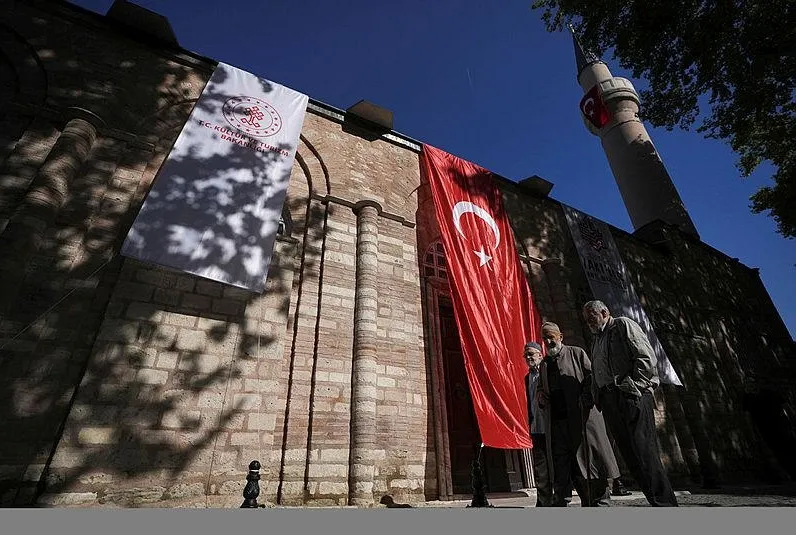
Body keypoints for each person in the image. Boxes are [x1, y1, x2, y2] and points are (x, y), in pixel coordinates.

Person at [582, 300, 678, 507]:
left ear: (604, 312)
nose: (588, 320)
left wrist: (636, 387)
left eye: (591, 315)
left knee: (644, 451)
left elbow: (644, 356)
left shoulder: (622, 325)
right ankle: (654, 500)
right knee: (630, 455)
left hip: (629, 395)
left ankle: (665, 504)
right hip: (609, 401)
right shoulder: (596, 340)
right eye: (586, 318)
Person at [537, 322, 619, 507]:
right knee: (567, 465)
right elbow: (542, 388)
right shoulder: (544, 364)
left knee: (591, 462)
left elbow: (592, 377)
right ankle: (577, 501)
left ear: (560, 337)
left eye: (552, 337)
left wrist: (585, 396)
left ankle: (600, 502)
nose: (549, 341)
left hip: (582, 420)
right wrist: (541, 395)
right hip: (558, 423)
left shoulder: (576, 353)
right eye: (545, 338)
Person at [524, 341, 553, 507]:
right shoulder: (528, 377)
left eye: (531, 354)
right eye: (526, 355)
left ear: (540, 355)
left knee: (556, 463)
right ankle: (543, 501)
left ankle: (559, 496)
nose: (528, 357)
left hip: (551, 425)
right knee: (540, 466)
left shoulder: (548, 371)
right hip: (537, 427)